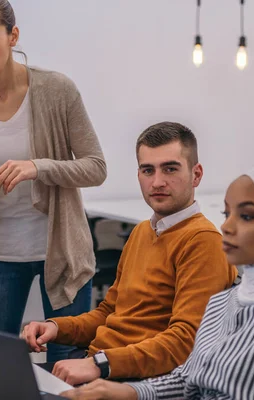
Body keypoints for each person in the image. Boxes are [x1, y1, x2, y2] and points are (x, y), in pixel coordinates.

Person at [60, 165, 254, 400]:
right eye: (228, 213)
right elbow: (188, 380)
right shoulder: (228, 298)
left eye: (247, 216)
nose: (226, 225)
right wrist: (127, 392)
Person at [0, 0, 107, 362]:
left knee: (68, 366)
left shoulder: (57, 90)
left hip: (62, 254)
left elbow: (96, 167)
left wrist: (39, 167)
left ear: (13, 36)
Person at [22, 122, 238, 385]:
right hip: (99, 364)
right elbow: (108, 313)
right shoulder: (141, 233)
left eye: (170, 169)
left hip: (132, 380)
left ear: (196, 174)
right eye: (148, 170)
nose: (157, 182)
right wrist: (56, 327)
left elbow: (186, 342)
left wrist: (99, 365)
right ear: (139, 175)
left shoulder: (203, 241)